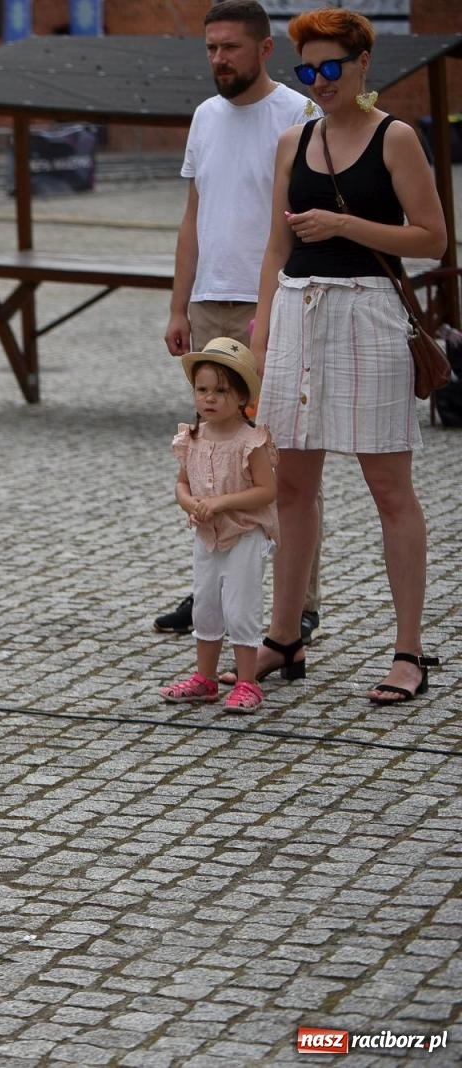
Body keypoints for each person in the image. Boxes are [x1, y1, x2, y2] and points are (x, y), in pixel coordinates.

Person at [249, 7, 446, 704]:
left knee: (389, 488)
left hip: (367, 311)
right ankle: (284, 635)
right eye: (309, 70)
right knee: (293, 486)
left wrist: (344, 224)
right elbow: (277, 246)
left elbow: (432, 240)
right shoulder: (291, 140)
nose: (320, 80)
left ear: (363, 64)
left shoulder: (396, 138)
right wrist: (261, 331)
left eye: (332, 67)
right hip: (298, 310)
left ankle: (409, 650)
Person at [156, 0, 319, 644]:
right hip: (209, 303)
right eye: (211, 48)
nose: (219, 59)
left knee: (280, 460)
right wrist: (178, 304)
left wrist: (276, 308)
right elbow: (193, 216)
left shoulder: (298, 114)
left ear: (265, 49)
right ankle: (214, 591)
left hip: (272, 301)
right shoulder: (204, 115)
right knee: (212, 457)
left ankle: (297, 601)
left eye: (231, 47)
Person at [158, 339, 277, 713]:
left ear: (242, 396)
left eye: (221, 390)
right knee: (206, 605)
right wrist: (191, 503)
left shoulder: (250, 441)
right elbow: (181, 483)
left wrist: (221, 503)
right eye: (202, 389)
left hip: (244, 534)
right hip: (206, 537)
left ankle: (247, 682)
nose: (209, 398)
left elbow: (267, 490)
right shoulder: (192, 438)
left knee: (241, 608)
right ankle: (205, 679)